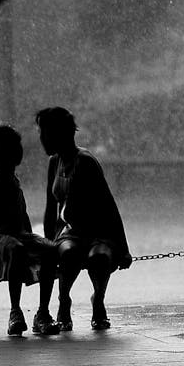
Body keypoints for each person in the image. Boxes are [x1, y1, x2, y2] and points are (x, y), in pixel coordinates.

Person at [36, 106, 132, 331]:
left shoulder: (86, 162)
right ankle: (64, 301)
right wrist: (49, 242)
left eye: (44, 132)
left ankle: (98, 301)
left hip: (100, 233)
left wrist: (123, 248)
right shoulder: (54, 162)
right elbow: (51, 208)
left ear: (59, 133)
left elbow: (109, 207)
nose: (41, 138)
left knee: (99, 258)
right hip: (71, 232)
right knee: (68, 252)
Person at [0, 124, 59, 337]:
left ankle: (43, 313)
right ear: (4, 151)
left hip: (19, 233)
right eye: (15, 146)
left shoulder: (10, 177)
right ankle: (15, 312)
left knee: (52, 250)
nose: (20, 150)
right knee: (15, 249)